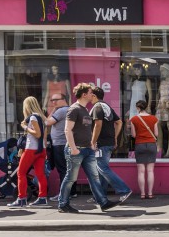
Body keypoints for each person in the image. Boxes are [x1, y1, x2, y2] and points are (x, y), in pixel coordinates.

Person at [56, 83, 119, 214]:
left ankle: (103, 202)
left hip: (87, 149)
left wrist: (91, 144)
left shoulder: (85, 109)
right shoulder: (74, 109)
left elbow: (85, 129)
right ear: (84, 94)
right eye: (90, 92)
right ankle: (63, 204)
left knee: (94, 177)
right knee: (71, 178)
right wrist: (73, 149)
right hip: (76, 150)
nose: (92, 95)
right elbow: (67, 130)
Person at [89, 86, 133, 204]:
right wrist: (114, 137)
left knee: (102, 168)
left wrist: (93, 141)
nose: (88, 97)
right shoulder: (106, 106)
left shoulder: (97, 107)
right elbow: (119, 122)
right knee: (101, 170)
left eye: (89, 94)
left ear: (94, 95)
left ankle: (124, 190)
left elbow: (98, 125)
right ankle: (100, 196)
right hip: (108, 143)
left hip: (101, 143)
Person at [7, 96, 49, 207]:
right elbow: (44, 136)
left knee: (21, 173)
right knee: (40, 174)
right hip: (42, 149)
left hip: (31, 149)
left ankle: (21, 199)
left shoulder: (33, 118)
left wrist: (25, 127)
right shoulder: (43, 118)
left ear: (27, 106)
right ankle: (42, 198)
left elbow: (37, 134)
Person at [129, 99, 159, 199]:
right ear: (146, 107)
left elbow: (133, 135)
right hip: (151, 144)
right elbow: (156, 134)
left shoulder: (134, 119)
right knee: (150, 171)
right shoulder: (154, 118)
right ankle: (150, 193)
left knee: (141, 171)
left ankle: (142, 194)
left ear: (138, 108)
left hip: (140, 145)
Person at [45, 94, 70, 187]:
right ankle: (72, 192)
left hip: (59, 144)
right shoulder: (69, 109)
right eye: (52, 100)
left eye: (55, 100)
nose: (53, 102)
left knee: (62, 169)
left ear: (63, 99)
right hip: (66, 143)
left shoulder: (61, 111)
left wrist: (54, 110)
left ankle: (64, 194)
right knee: (69, 169)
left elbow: (47, 122)